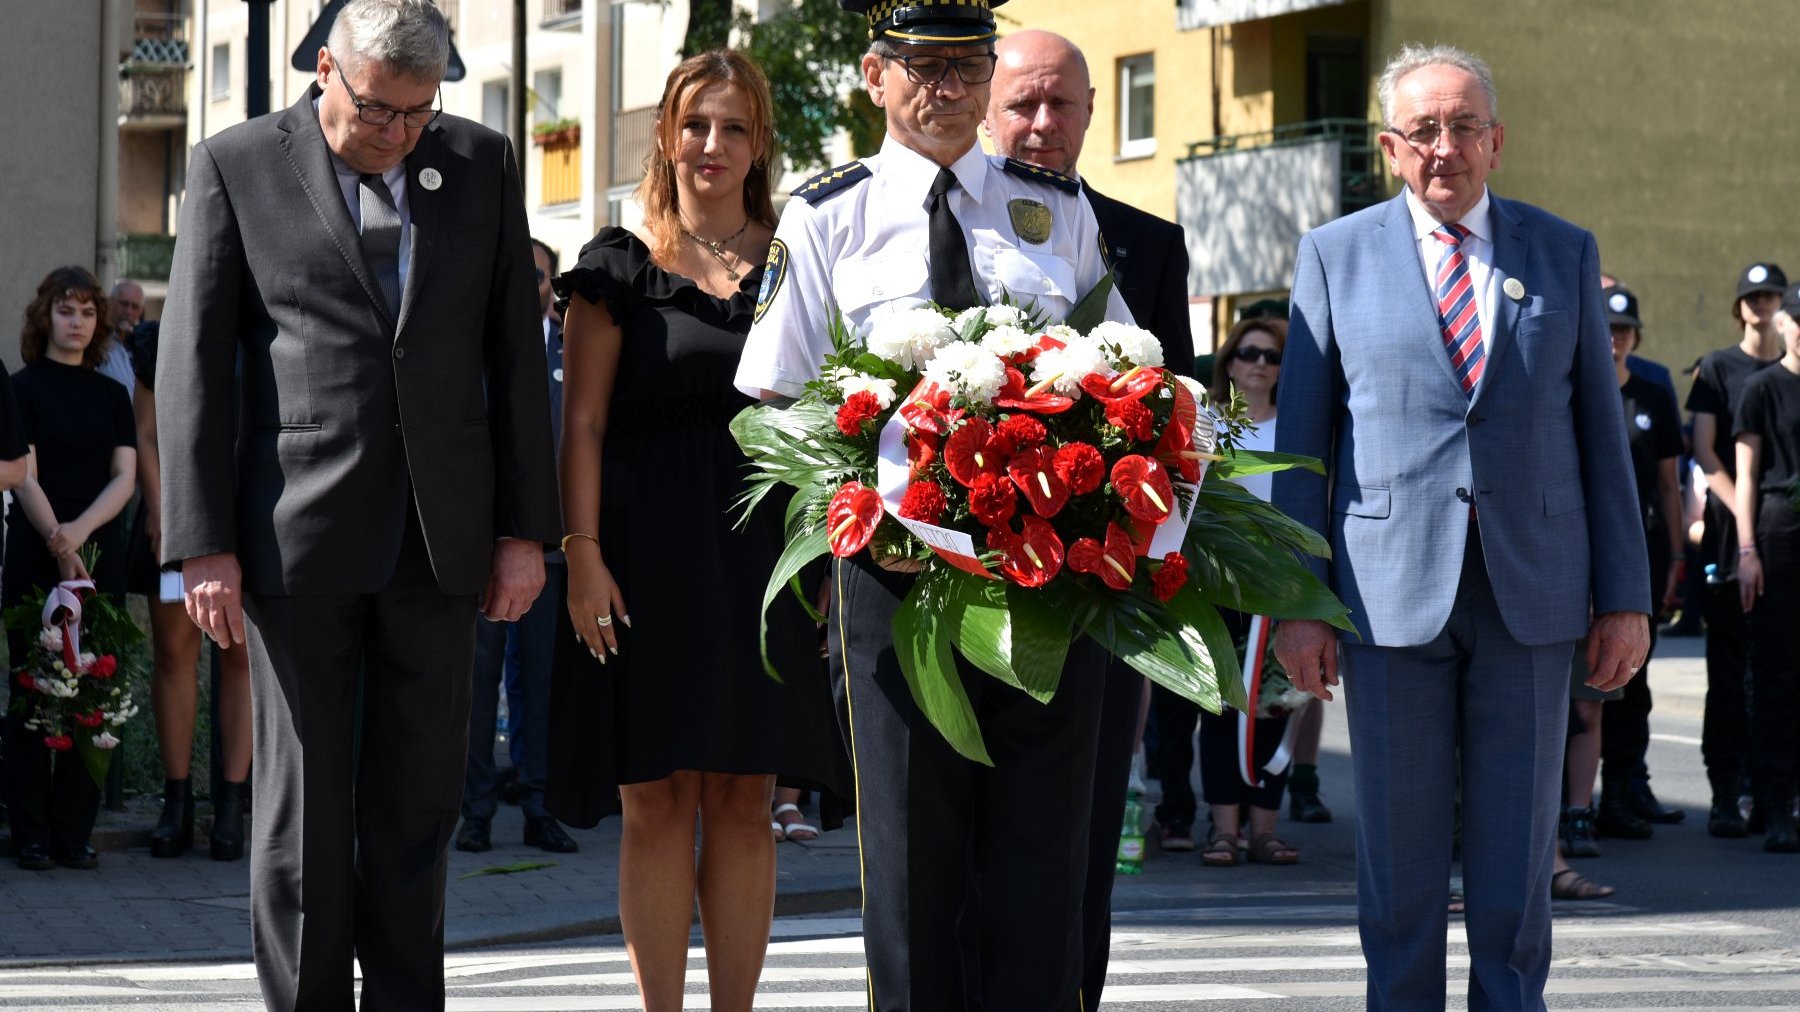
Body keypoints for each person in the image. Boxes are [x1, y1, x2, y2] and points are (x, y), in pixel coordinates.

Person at [155, 1, 560, 1007]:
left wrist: (524, 533)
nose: (398, 135)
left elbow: (514, 357)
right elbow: (196, 363)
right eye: (380, 110)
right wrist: (201, 543)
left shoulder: (481, 161)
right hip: (297, 535)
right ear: (326, 68)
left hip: (443, 533)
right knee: (302, 814)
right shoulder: (235, 162)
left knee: (418, 805)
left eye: (420, 114)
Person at [734, 2, 1132, 1007]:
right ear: (875, 77)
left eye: (966, 66)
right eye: (922, 66)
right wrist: (857, 508)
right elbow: (777, 402)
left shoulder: (1057, 206)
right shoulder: (827, 214)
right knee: (913, 864)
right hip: (898, 583)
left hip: (1049, 581)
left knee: (1045, 864)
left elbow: (1124, 375)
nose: (945, 88)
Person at [1271, 44, 1650, 1011]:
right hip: (1387, 596)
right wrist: (1294, 606)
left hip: (1535, 592)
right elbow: (1305, 451)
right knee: (1397, 861)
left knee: (1517, 860)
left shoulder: (1562, 250)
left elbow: (1603, 445)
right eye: (1424, 130)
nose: (1446, 147)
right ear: (1391, 148)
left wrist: (1628, 599)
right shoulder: (1333, 254)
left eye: (1464, 126)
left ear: (1497, 141)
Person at [545, 50, 848, 1011]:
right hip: (641, 558)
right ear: (667, 136)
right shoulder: (615, 267)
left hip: (764, 560)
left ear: (760, 144)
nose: (710, 145)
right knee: (655, 797)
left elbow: (831, 421)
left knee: (744, 798)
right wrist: (581, 558)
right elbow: (581, 425)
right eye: (694, 125)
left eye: (732, 128)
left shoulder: (803, 264)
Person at [981, 28, 1195, 1006]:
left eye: (1060, 104)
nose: (1040, 123)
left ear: (1092, 116)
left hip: (1098, 595)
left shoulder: (1147, 245)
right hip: (967, 581)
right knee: (964, 842)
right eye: (1022, 102)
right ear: (987, 105)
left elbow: (1183, 418)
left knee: (1078, 843)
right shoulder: (944, 227)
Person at [3, 265, 137, 872]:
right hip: (36, 552)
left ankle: (72, 832)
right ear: (44, 319)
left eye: (87, 312)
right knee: (34, 691)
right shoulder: (23, 389)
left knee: (95, 690)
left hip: (98, 557)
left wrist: (79, 535)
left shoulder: (112, 395)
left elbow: (126, 476)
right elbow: (22, 473)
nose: (77, 322)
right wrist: (58, 541)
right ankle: (30, 834)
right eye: (65, 311)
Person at [456, 236, 577, 856]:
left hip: (551, 551)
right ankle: (473, 813)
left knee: (539, 683)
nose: (528, 284)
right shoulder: (472, 346)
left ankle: (538, 806)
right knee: (477, 689)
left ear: (551, 284)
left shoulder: (572, 351)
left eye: (538, 275)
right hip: (481, 549)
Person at [131, 319, 255, 861]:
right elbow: (146, 433)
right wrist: (160, 510)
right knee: (173, 655)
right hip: (177, 516)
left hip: (250, 514)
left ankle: (231, 805)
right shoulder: (162, 335)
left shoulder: (264, 326)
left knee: (241, 657)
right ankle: (175, 801)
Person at [1193, 318, 1304, 868]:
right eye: (1248, 353)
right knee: (1220, 709)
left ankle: (1265, 829)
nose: (1260, 363)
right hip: (1219, 584)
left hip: (1281, 586)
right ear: (1229, 362)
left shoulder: (1300, 427)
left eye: (1272, 356)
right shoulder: (1208, 425)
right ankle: (1223, 831)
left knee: (1277, 705)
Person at [1687, 261, 1785, 838]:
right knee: (1728, 667)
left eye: (1772, 295)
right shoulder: (1719, 368)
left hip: (1782, 532)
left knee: (1777, 672)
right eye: (1753, 296)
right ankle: (1726, 791)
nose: (1763, 304)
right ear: (1740, 306)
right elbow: (1705, 450)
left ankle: (1771, 791)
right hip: (1732, 533)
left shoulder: (1790, 370)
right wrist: (1743, 515)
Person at [1595, 287, 1686, 841]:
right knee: (1588, 681)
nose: (1615, 339)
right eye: (1607, 328)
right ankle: (1576, 802)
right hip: (1588, 546)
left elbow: (1670, 485)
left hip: (1645, 545)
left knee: (1635, 674)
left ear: (1636, 337)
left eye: (1624, 330)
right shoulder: (1579, 390)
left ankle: (1626, 787)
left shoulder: (1652, 393)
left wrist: (1678, 554)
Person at [1732, 281, 1800, 853]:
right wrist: (1747, 549)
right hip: (1779, 531)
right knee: (1778, 673)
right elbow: (1747, 476)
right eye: (1796, 319)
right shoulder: (1762, 388)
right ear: (1783, 324)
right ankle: (1775, 806)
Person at [98, 281, 146, 392]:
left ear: (141, 311)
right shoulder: (98, 338)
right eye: (124, 304)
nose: (128, 311)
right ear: (111, 303)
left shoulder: (142, 343)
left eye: (135, 307)